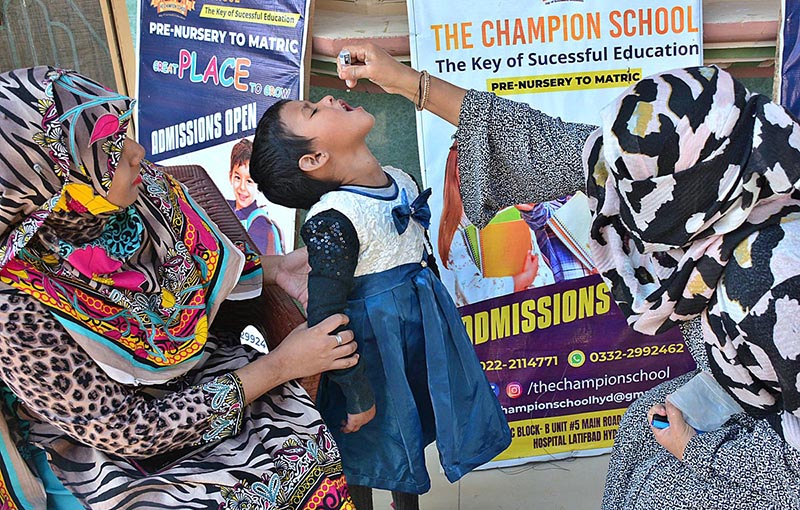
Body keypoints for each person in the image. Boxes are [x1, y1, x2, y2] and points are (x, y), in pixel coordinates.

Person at [336, 43, 800, 509]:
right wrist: (403, 80)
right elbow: (540, 142)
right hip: (738, 397)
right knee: (640, 428)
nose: (612, 199)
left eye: (637, 203)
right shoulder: (713, 158)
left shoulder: (777, 280)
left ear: (689, 204)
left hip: (769, 457)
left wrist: (697, 452)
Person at [0, 67, 360, 510]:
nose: (137, 152)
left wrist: (277, 267)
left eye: (121, 134)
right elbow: (130, 430)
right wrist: (281, 366)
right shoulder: (16, 306)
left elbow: (194, 263)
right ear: (47, 185)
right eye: (109, 152)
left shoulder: (138, 192)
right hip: (110, 446)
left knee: (301, 452)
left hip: (198, 372)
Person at [249, 95, 512, 510]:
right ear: (315, 157)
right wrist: (358, 395)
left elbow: (419, 254)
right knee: (372, 450)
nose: (329, 97)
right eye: (314, 110)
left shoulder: (400, 180)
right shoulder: (333, 220)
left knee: (409, 435)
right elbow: (325, 320)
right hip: (372, 355)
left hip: (417, 337)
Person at [438, 143, 549, 305]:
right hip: (488, 321)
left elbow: (540, 267)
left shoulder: (516, 212)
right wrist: (520, 280)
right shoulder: (457, 227)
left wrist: (531, 283)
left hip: (529, 312)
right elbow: (473, 292)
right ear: (455, 174)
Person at [227, 138, 286, 256]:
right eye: (238, 178)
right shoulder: (224, 207)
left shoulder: (260, 223)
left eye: (249, 181)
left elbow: (259, 269)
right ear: (230, 177)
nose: (242, 187)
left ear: (259, 185)